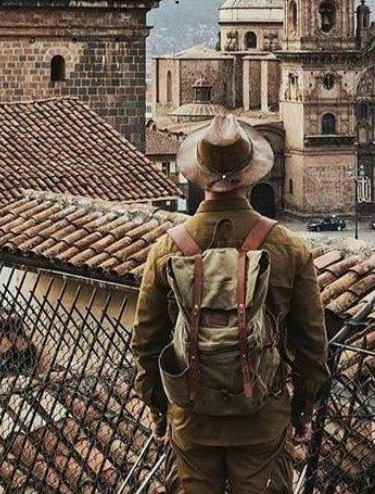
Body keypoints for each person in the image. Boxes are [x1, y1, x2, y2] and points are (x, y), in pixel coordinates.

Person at [132, 114, 329, 494]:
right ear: (251, 175)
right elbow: (311, 346)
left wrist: (160, 412)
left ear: (198, 175)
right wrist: (302, 411)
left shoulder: (167, 249)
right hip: (262, 421)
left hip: (192, 422)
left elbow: (146, 343)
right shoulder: (288, 248)